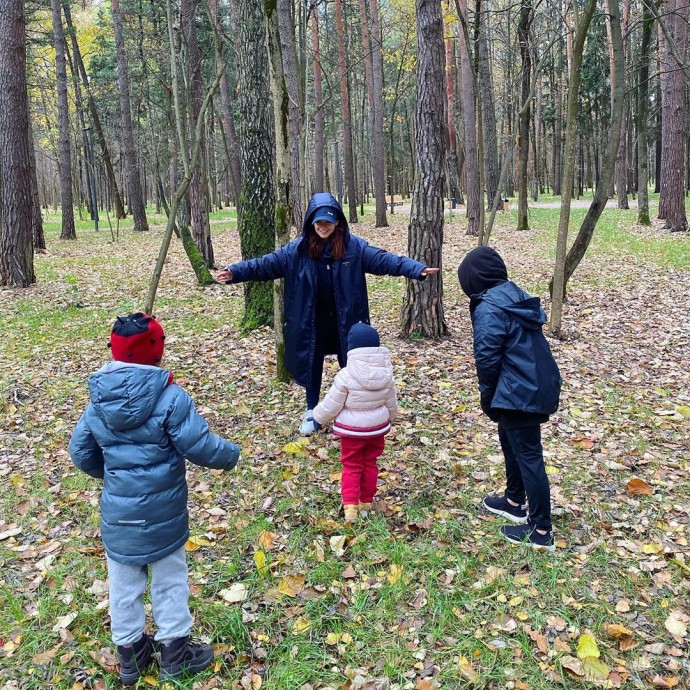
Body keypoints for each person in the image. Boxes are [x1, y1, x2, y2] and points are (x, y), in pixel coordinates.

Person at [68, 313, 241, 685]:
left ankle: (130, 657)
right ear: (157, 354)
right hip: (164, 516)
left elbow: (80, 452)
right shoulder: (170, 397)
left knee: (124, 586)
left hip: (120, 518)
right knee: (170, 580)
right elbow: (201, 446)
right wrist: (231, 454)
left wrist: (112, 475)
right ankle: (174, 654)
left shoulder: (98, 403)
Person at [216, 192, 438, 436]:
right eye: (319, 222)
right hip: (311, 319)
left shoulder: (355, 249)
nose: (323, 227)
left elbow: (386, 260)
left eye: (328, 222)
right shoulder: (296, 251)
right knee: (312, 363)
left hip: (347, 319)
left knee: (352, 364)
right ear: (311, 222)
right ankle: (312, 410)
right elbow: (264, 265)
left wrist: (415, 269)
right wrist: (235, 272)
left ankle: (352, 410)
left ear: (338, 222)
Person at [457, 247, 561, 552]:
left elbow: (487, 358)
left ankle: (541, 529)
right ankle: (515, 500)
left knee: (528, 454)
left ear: (475, 280)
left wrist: (487, 400)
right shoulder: (512, 295)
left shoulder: (490, 307)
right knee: (510, 440)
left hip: (520, 390)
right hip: (529, 383)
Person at [312, 323, 398, 522]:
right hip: (376, 430)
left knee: (351, 466)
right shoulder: (386, 373)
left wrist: (317, 418)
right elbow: (391, 402)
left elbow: (332, 404)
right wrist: (391, 417)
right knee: (370, 463)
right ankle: (366, 502)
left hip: (352, 432)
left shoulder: (346, 375)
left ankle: (351, 507)